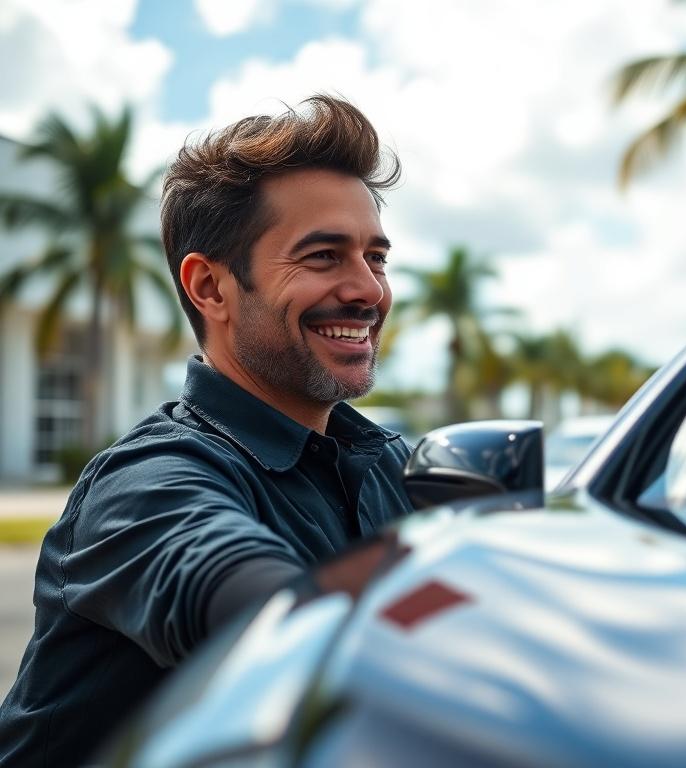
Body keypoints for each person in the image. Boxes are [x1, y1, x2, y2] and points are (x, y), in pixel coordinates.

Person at [0, 95, 415, 766]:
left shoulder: (387, 462)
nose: (369, 290)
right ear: (211, 288)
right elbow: (271, 613)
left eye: (376, 257)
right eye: (323, 256)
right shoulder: (145, 483)